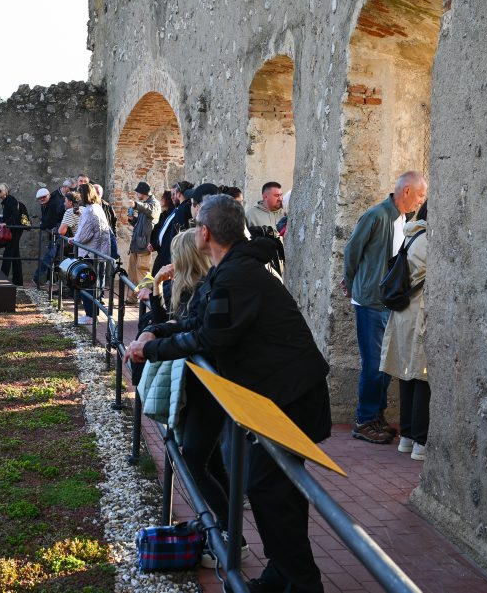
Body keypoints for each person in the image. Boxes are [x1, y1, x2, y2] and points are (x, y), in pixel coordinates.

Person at [126, 195, 331, 593]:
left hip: (292, 397)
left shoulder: (239, 275)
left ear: (204, 233)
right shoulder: (232, 269)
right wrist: (156, 332)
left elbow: (211, 337)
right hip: (277, 395)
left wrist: (150, 348)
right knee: (273, 490)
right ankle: (282, 574)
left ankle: (304, 583)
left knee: (271, 488)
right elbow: (194, 319)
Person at [342, 171, 427, 444]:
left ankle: (376, 417)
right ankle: (364, 420)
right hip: (369, 299)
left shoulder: (403, 219)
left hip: (385, 301)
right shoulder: (377, 215)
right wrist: (351, 281)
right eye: (420, 195)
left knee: (383, 363)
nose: (421, 201)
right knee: (373, 364)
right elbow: (352, 250)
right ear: (406, 191)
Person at [379, 202, 429, 461]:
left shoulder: (412, 235)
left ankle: (407, 437)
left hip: (403, 313)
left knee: (406, 374)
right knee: (422, 375)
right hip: (420, 312)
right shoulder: (430, 239)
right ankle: (421, 441)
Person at [72, 182, 111, 323]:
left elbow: (83, 235)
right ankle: (93, 314)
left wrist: (73, 240)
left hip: (90, 253)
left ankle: (90, 316)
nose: (78, 197)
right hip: (98, 252)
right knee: (94, 284)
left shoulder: (90, 211)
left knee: (87, 284)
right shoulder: (97, 208)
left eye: (79, 194)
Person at [151, 180, 194, 303]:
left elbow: (178, 235)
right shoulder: (177, 208)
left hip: (171, 257)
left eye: (174, 193)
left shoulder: (183, 209)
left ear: (180, 193)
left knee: (162, 291)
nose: (172, 196)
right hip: (164, 254)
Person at [126, 181, 160, 303]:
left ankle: (147, 299)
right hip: (136, 244)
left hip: (145, 245)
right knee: (133, 272)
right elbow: (140, 224)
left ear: (143, 193)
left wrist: (136, 205)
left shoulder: (153, 204)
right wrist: (132, 220)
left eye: (137, 192)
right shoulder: (144, 204)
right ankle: (133, 298)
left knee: (144, 272)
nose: (136, 193)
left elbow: (150, 211)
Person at [0, 183, 24, 286]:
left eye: (0, 191)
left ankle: (3, 278)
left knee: (8, 254)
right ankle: (18, 281)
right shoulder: (6, 201)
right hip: (15, 229)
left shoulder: (10, 200)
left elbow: (15, 214)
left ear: (6, 191)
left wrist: (6, 224)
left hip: (14, 230)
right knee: (15, 255)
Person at [32, 188, 64, 288]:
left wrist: (43, 225)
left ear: (49, 195)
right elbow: (46, 220)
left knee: (51, 257)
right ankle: (49, 280)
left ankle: (42, 278)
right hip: (56, 233)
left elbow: (50, 221)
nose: (42, 199)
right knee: (52, 257)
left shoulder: (54, 204)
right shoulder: (46, 204)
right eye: (40, 198)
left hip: (59, 233)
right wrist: (44, 224)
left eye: (44, 197)